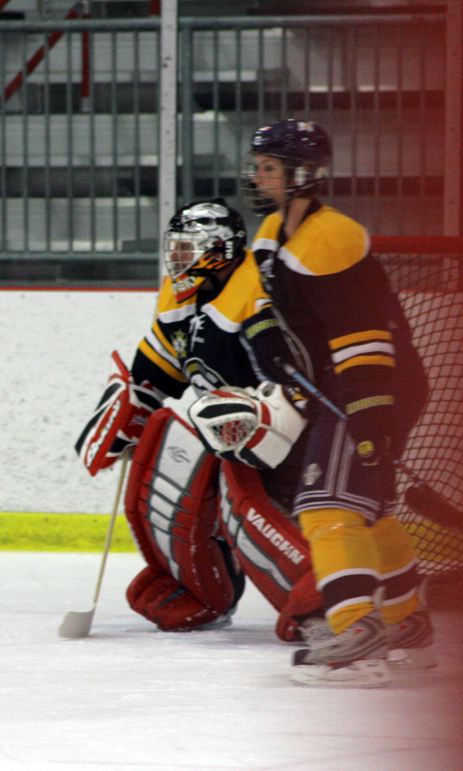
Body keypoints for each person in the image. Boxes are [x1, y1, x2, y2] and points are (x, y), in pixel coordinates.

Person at [240, 118, 434, 687]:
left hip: (370, 382)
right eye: (258, 167)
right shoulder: (274, 231)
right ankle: (407, 626)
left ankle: (357, 639)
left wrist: (370, 414)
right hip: (348, 380)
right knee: (370, 511)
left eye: (269, 168)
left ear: (303, 174)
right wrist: (266, 337)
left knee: (326, 508)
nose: (258, 177)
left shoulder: (332, 238)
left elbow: (363, 334)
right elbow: (262, 296)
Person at [74, 199, 322, 641]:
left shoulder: (257, 296)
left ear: (219, 249)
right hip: (233, 439)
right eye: (175, 248)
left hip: (294, 448)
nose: (176, 259)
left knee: (240, 502)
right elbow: (154, 374)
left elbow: (303, 387)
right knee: (162, 449)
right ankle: (203, 589)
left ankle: (326, 605)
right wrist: (129, 411)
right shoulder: (181, 300)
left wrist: (262, 415)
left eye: (186, 249)